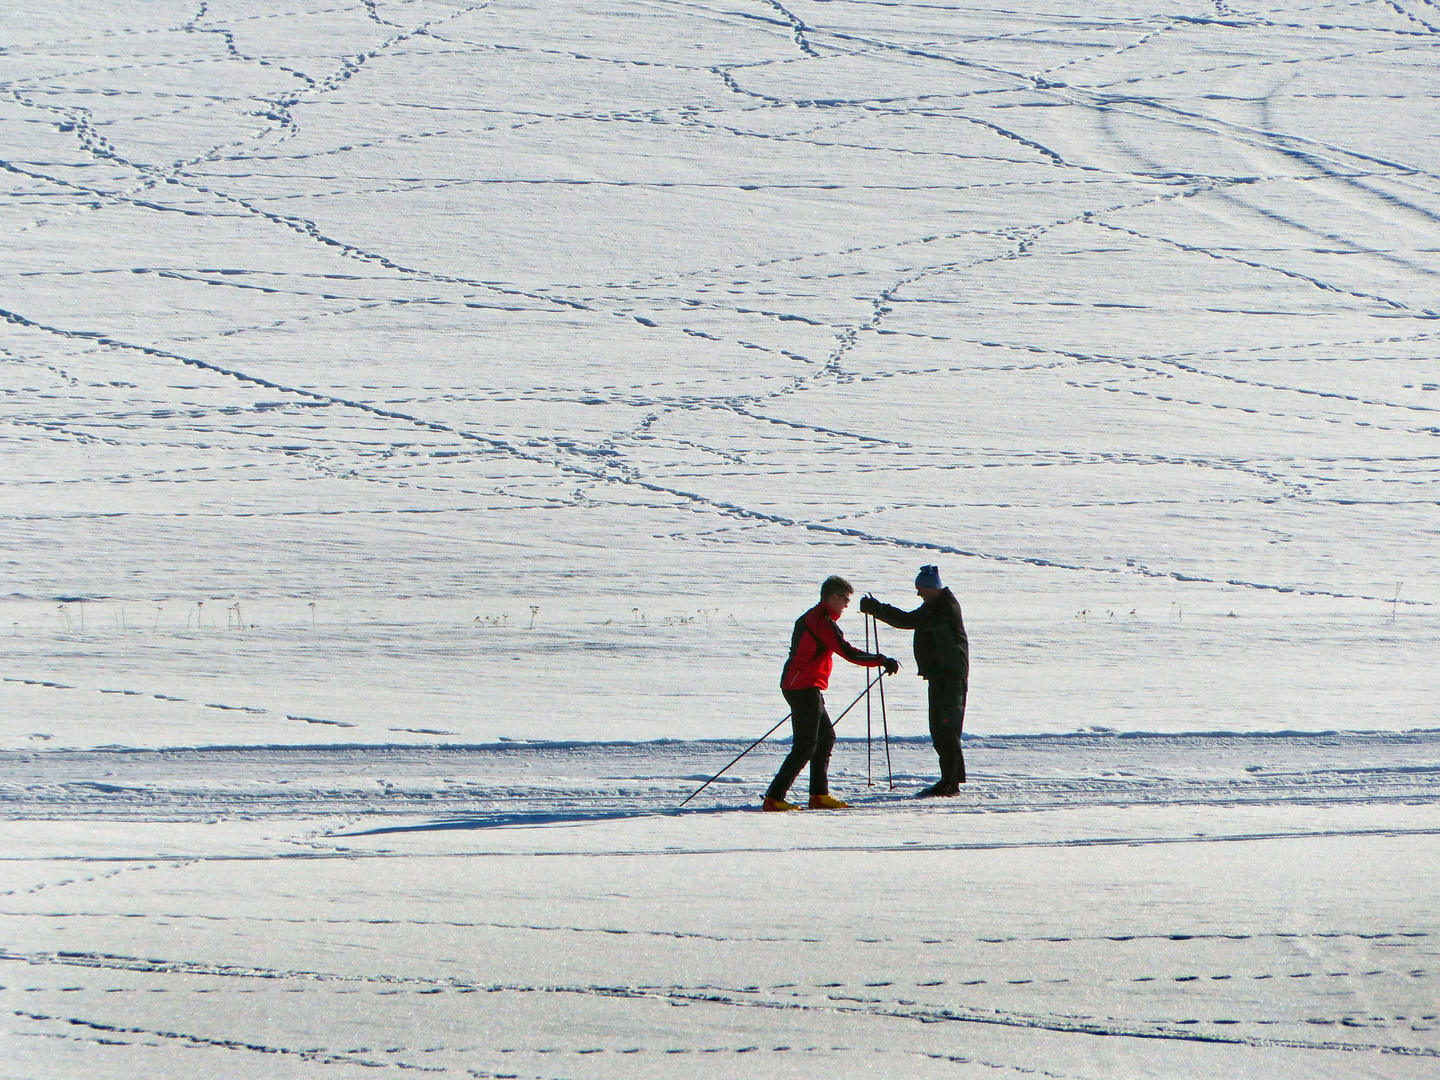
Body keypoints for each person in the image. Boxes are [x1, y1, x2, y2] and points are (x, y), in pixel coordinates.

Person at [764, 575, 899, 811]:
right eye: (845, 599)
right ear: (833, 597)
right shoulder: (821, 621)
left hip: (803, 685)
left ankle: (818, 795)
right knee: (805, 745)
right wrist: (881, 660)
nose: (847, 605)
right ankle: (774, 797)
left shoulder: (816, 616)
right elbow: (847, 652)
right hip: (802, 687)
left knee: (825, 738)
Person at [860, 565, 969, 796]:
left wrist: (878, 609)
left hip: (950, 677)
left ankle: (950, 783)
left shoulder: (944, 608)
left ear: (932, 588)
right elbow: (913, 619)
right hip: (941, 675)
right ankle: (949, 781)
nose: (919, 594)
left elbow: (910, 621)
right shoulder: (935, 604)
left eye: (921, 589)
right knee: (940, 728)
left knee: (946, 728)